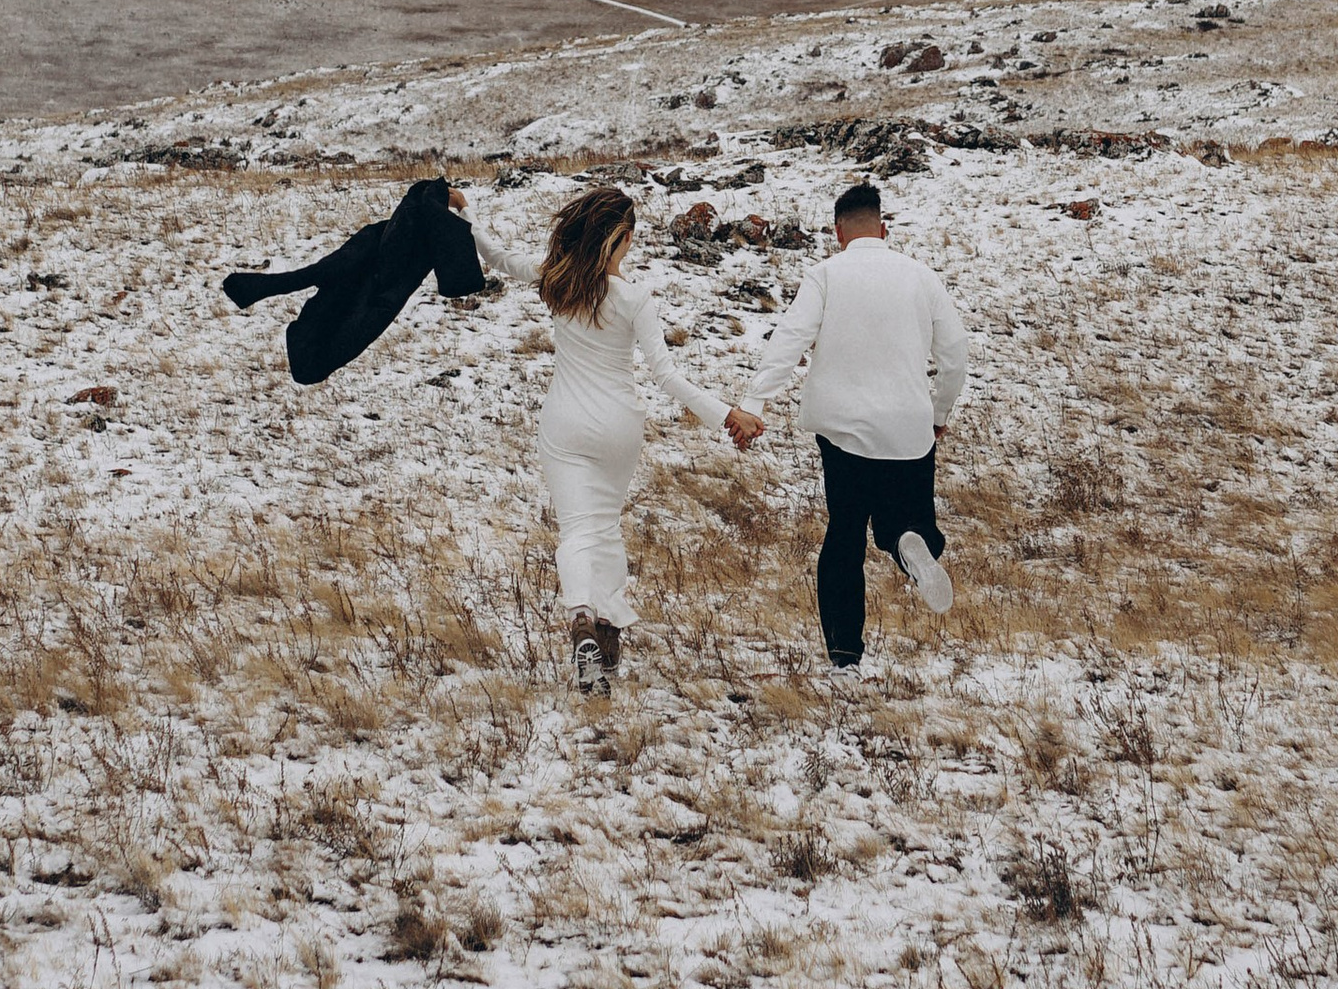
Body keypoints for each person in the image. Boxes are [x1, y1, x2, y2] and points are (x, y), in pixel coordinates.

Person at [726, 181, 968, 669]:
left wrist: (754, 402)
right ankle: (908, 542)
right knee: (908, 519)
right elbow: (955, 355)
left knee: (845, 532)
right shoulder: (922, 277)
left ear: (839, 232)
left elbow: (789, 339)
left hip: (843, 431)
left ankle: (844, 656)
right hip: (908, 427)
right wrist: (939, 413)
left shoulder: (826, 275)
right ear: (884, 228)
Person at [535, 182, 723, 696]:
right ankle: (608, 631)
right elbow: (666, 376)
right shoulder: (636, 299)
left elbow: (496, 255)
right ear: (622, 238)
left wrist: (464, 214)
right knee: (606, 526)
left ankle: (582, 616)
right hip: (619, 427)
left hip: (564, 422)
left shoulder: (556, 282)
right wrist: (725, 415)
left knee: (578, 529)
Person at [223, 174, 490, 385]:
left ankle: (257, 289)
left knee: (318, 281)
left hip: (375, 263)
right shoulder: (422, 230)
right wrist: (463, 209)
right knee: (340, 312)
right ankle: (259, 291)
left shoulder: (407, 219)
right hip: (382, 281)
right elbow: (472, 270)